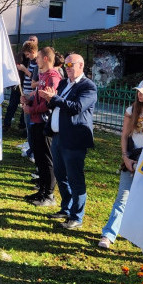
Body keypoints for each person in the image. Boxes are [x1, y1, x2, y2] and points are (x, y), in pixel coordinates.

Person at [98, 79, 143, 248]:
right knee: (122, 198)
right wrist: (125, 158)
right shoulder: (131, 109)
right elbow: (125, 135)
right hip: (132, 158)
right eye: (139, 92)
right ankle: (108, 235)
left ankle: (141, 237)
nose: (140, 95)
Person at [41, 53, 97, 229]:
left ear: (81, 65)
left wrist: (55, 99)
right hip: (58, 136)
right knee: (60, 175)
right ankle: (66, 208)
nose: (68, 68)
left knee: (75, 178)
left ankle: (76, 216)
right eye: (65, 65)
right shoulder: (65, 83)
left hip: (74, 139)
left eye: (71, 65)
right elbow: (58, 105)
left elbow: (77, 108)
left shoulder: (88, 86)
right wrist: (49, 99)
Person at [21, 47, 62, 207]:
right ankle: (41, 190)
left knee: (47, 159)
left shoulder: (53, 77)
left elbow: (48, 103)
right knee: (38, 157)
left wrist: (30, 109)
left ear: (45, 59)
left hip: (45, 123)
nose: (35, 60)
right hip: (35, 121)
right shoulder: (43, 76)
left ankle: (49, 194)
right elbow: (39, 96)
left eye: (38, 58)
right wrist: (28, 99)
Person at [5, 41, 38, 132]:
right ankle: (26, 132)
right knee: (24, 112)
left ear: (33, 52)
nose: (27, 56)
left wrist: (24, 69)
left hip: (31, 92)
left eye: (28, 54)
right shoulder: (31, 61)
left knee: (28, 115)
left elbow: (35, 78)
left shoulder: (37, 63)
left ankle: (27, 133)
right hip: (25, 90)